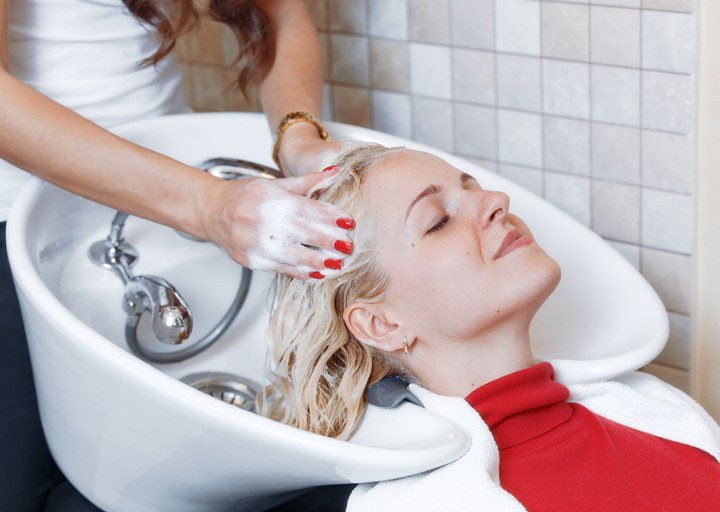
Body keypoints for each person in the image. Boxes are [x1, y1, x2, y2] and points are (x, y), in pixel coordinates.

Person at [0, 0, 356, 509]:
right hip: (18, 215)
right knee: (20, 489)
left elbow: (284, 14)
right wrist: (206, 204)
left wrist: (298, 138)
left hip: (162, 201)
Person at [259, 144, 720, 511]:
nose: (496, 201)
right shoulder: (429, 502)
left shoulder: (656, 413)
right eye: (438, 221)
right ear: (380, 323)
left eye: (474, 188)